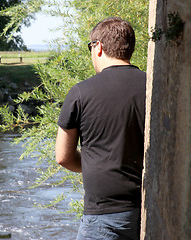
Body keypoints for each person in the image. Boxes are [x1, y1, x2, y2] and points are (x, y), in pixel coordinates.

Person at [55, 17, 146, 240]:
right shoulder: (154, 85)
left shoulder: (80, 93)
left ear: (98, 47)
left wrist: (97, 165)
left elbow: (63, 157)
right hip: (151, 207)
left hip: (103, 215)